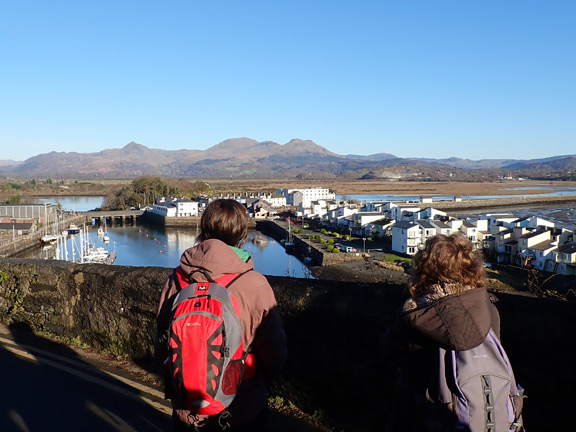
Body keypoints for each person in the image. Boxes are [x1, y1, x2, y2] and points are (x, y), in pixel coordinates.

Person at [155, 199, 287, 431]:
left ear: (203, 230)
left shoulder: (176, 278)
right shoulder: (254, 284)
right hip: (242, 403)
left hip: (188, 403)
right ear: (242, 233)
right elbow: (274, 348)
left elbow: (162, 339)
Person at [380, 232, 514, 431]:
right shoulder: (489, 309)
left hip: (426, 415)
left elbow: (389, 352)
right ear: (471, 267)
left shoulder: (416, 314)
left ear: (425, 268)